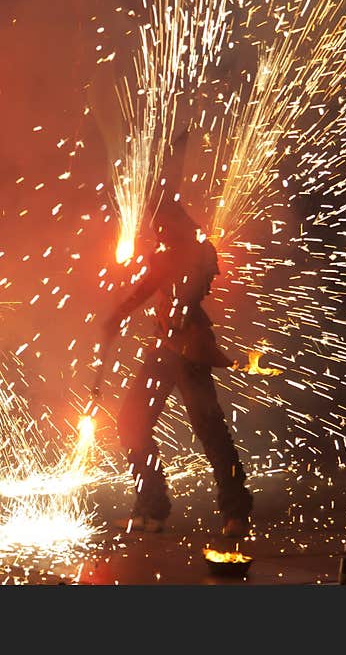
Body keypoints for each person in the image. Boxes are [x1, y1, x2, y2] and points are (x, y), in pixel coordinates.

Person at [98, 196, 253, 538]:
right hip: (165, 347)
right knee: (132, 423)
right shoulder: (174, 253)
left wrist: (119, 314)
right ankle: (151, 508)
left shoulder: (195, 252)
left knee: (210, 431)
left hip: (190, 350)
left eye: (162, 225)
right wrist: (118, 315)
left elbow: (177, 284)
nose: (158, 231)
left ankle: (235, 512)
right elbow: (150, 286)